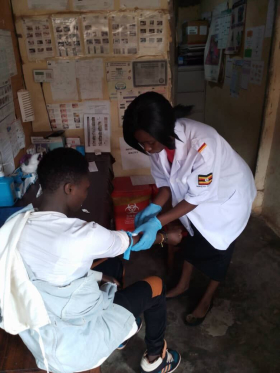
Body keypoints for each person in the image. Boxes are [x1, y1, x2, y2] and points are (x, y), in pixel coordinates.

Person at [16, 148, 182, 373]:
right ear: (69, 188)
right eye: (85, 189)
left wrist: (98, 275)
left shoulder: (17, 225)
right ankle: (156, 359)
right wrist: (164, 237)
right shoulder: (84, 234)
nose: (85, 195)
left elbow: (52, 273)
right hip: (77, 348)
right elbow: (133, 241)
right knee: (156, 286)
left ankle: (120, 332)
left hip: (42, 333)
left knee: (112, 267)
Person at [123, 92, 257, 326]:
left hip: (226, 200)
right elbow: (166, 182)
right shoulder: (156, 143)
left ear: (164, 129)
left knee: (219, 250)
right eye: (141, 144)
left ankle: (207, 297)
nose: (147, 148)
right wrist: (153, 207)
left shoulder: (203, 143)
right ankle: (183, 284)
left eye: (149, 142)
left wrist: (158, 222)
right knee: (194, 239)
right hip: (196, 201)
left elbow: (196, 198)